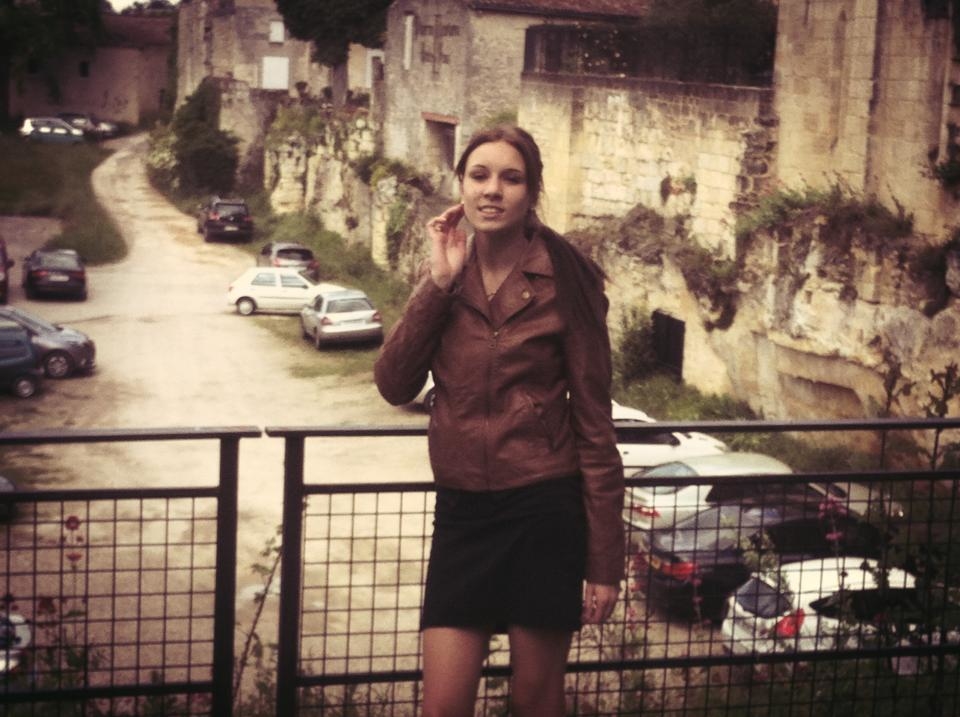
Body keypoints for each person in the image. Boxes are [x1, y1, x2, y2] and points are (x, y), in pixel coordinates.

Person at [374, 125, 624, 717]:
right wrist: (437, 286)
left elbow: (595, 425)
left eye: (511, 178)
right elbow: (394, 384)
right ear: (460, 185)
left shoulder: (567, 279)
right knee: (442, 707)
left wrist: (604, 562)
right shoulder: (447, 273)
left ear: (531, 192)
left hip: (543, 510)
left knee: (535, 702)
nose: (493, 190)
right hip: (463, 513)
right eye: (479, 175)